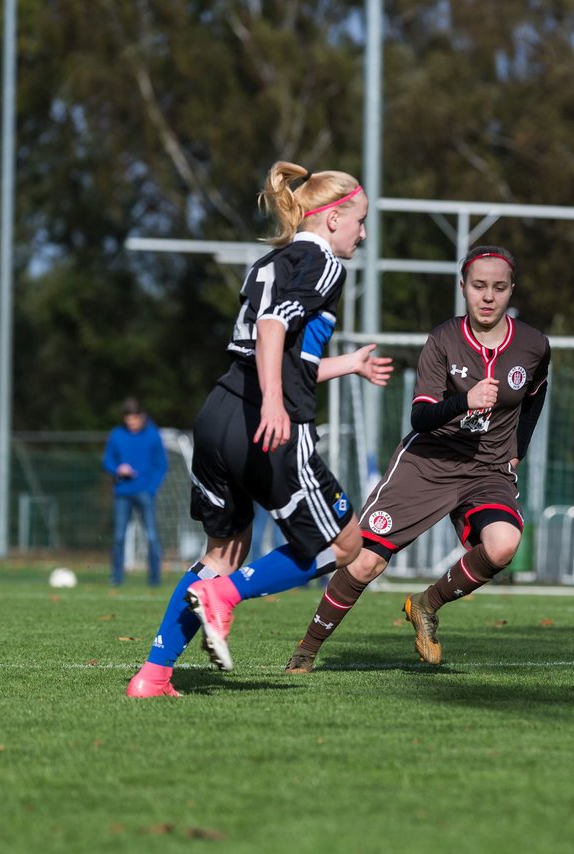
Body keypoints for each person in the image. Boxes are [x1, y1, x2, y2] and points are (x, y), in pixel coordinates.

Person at [125, 160, 392, 697]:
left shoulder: (273, 260)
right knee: (346, 544)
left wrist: (348, 366)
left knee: (221, 552)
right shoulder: (324, 265)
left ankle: (152, 675)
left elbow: (278, 349)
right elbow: (272, 327)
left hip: (221, 410)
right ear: (334, 219)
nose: (364, 233)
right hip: (266, 423)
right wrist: (274, 403)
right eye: (360, 221)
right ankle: (225, 597)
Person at [281, 244, 550, 674]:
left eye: (499, 288)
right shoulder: (443, 339)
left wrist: (518, 449)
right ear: (463, 287)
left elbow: (534, 395)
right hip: (429, 461)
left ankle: (426, 604)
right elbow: (421, 416)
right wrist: (465, 401)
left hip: (487, 467)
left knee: (503, 546)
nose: (488, 296)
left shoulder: (534, 344)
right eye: (479, 286)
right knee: (366, 561)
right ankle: (308, 648)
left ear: (511, 290)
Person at [102, 398, 169, 586]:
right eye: (128, 419)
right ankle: (116, 578)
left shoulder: (153, 436)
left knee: (152, 536)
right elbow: (107, 461)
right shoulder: (116, 435)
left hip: (145, 493)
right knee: (119, 537)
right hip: (122, 492)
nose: (131, 423)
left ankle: (154, 580)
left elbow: (161, 466)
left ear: (142, 417)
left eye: (134, 418)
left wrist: (150, 488)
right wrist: (117, 469)